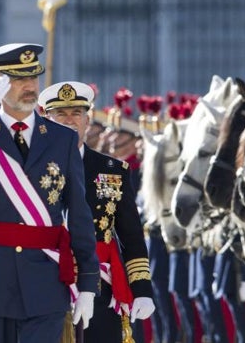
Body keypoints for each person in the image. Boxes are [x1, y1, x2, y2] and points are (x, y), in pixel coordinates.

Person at [0, 43, 100, 343]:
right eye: (18, 79)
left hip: (44, 283)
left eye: (33, 77)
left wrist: (88, 282)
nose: (29, 86)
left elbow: (78, 213)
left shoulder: (61, 139)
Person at [40, 81, 156, 342]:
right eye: (61, 114)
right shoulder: (30, 168)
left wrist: (142, 288)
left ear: (87, 120)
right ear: (46, 121)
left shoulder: (113, 170)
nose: (69, 120)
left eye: (76, 113)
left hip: (101, 285)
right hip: (45, 282)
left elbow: (131, 236)